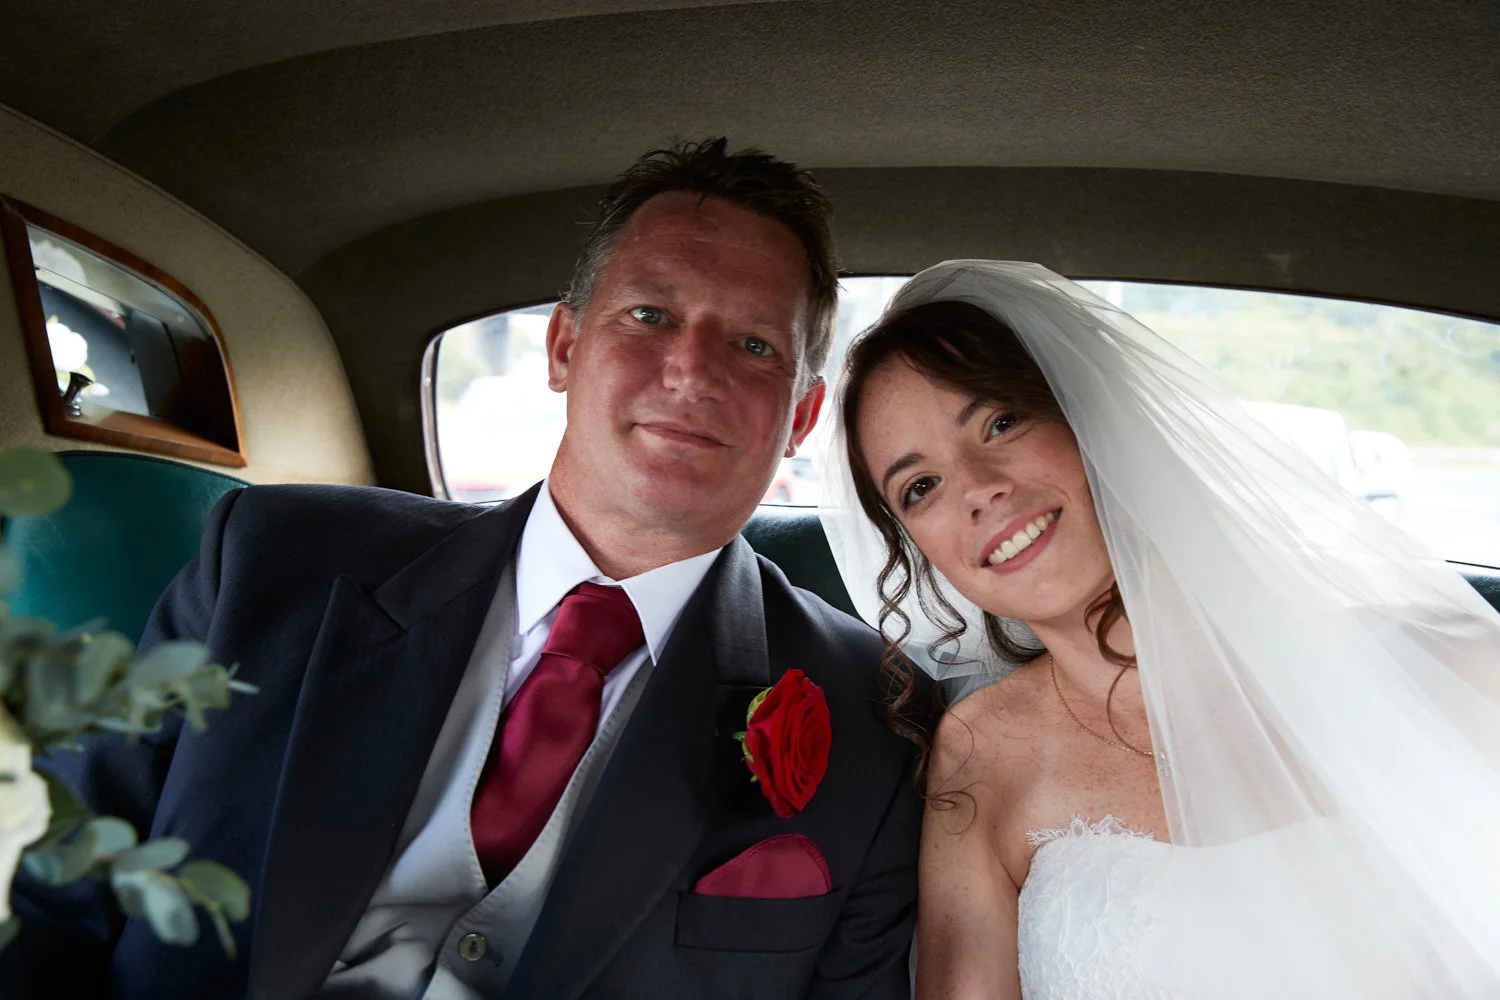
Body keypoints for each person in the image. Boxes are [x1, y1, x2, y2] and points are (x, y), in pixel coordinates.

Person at [3, 139, 921, 999]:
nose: (690, 370)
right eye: (649, 315)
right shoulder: (273, 558)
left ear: (801, 416)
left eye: (753, 345)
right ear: (564, 349)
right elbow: (55, 885)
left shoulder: (872, 716)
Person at [820, 260, 1500, 999]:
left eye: (1002, 421)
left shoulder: (1450, 663)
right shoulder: (980, 756)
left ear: (1092, 414)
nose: (980, 488)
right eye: (920, 487)